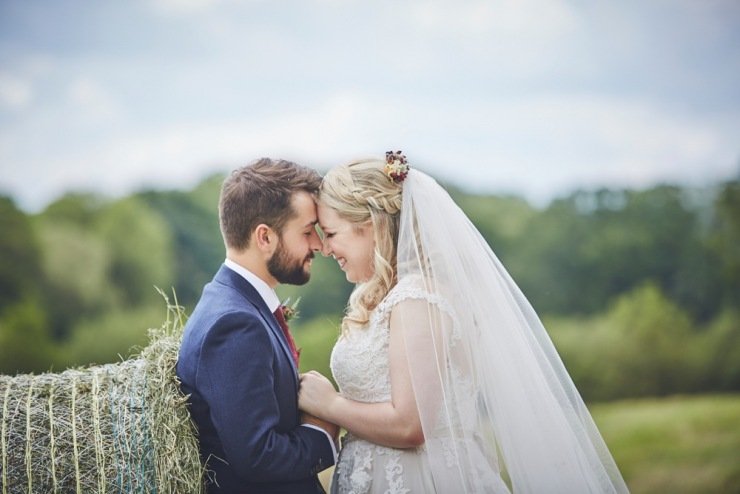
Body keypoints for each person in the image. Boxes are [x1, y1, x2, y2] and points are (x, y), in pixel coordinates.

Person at [298, 151, 630, 493]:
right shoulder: (387, 296)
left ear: (370, 224)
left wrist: (330, 404)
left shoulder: (417, 299)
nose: (324, 248)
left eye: (332, 233)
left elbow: (411, 426)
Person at [177, 158, 338, 493]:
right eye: (308, 231)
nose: (319, 246)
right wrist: (322, 432)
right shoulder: (234, 324)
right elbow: (258, 456)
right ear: (264, 237)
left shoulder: (234, 303)